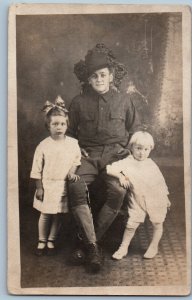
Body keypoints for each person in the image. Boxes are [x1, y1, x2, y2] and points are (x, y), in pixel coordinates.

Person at [67, 43, 141, 272]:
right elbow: (69, 134)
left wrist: (130, 155)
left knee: (118, 190)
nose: (98, 79)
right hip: (87, 156)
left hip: (116, 157)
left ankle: (89, 244)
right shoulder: (78, 102)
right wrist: (76, 151)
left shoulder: (125, 101)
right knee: (75, 187)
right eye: (94, 76)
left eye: (103, 75)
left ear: (111, 77)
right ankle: (94, 246)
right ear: (87, 80)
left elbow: (136, 131)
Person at [106, 131, 171, 260]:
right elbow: (109, 168)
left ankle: (153, 246)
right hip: (137, 198)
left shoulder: (151, 165)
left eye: (146, 149)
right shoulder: (127, 162)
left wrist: (166, 197)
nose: (142, 153)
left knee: (157, 222)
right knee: (132, 223)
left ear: (150, 150)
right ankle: (123, 247)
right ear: (132, 147)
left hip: (155, 197)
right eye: (139, 148)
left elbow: (160, 183)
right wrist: (121, 176)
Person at [30, 96, 81, 256]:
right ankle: (42, 240)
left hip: (63, 184)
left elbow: (76, 159)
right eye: (55, 124)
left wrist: (72, 171)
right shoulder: (44, 145)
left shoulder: (73, 143)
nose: (59, 127)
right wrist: (39, 187)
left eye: (62, 124)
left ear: (67, 125)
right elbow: (36, 169)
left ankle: (51, 239)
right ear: (48, 126)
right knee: (46, 214)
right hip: (48, 185)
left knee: (58, 214)